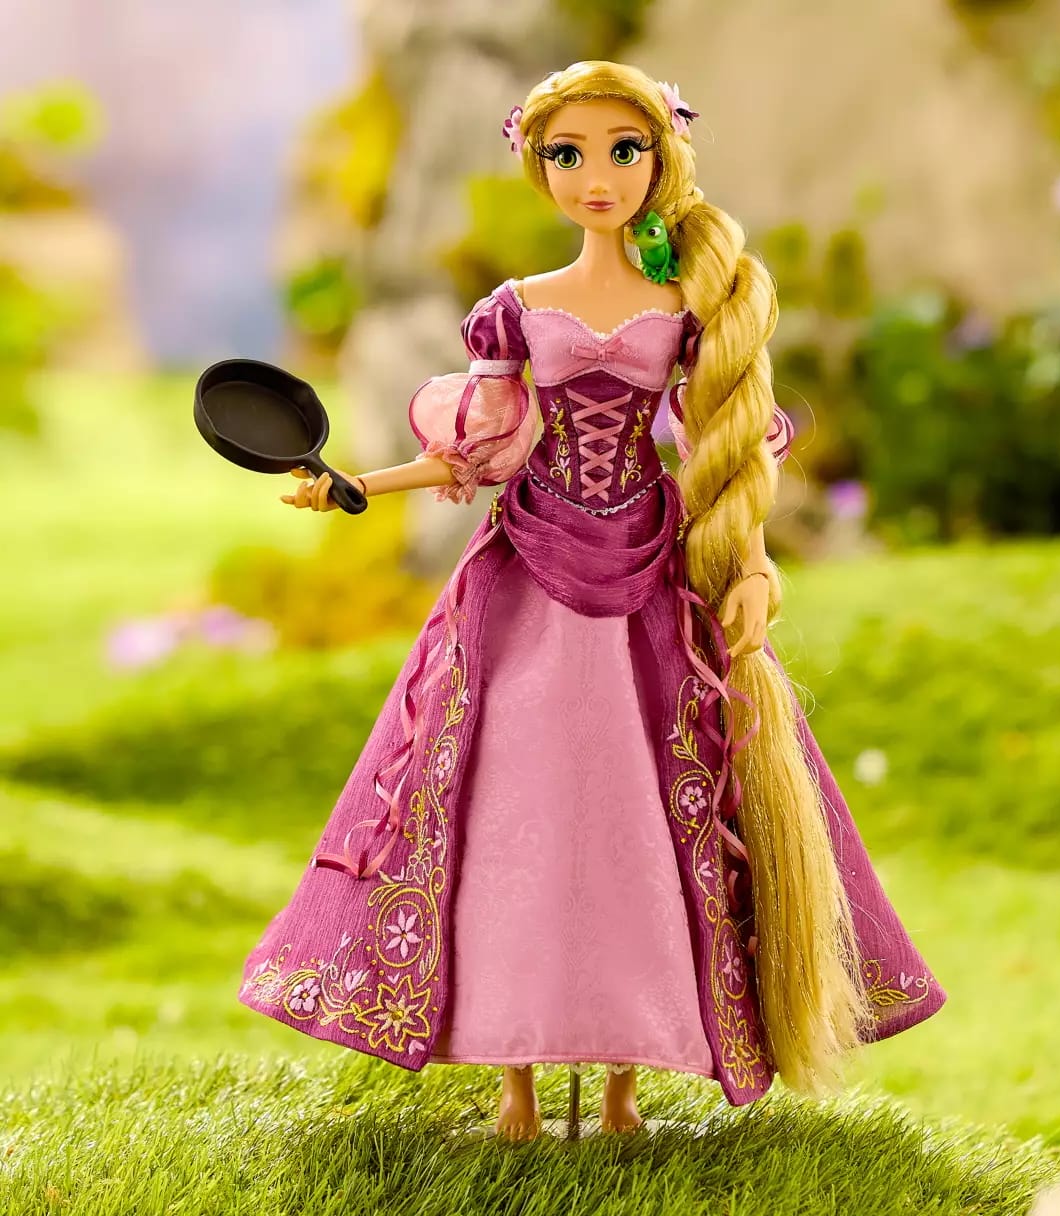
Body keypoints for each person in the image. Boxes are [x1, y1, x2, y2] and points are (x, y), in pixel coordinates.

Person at [240, 59, 946, 1143]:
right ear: (537, 167)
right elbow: (481, 447)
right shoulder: (517, 310)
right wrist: (360, 485)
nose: (596, 176)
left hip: (651, 575)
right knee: (510, 802)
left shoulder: (689, 308)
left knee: (639, 811)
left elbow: (722, 449)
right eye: (567, 155)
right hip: (528, 572)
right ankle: (516, 1085)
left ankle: (623, 1082)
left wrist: (752, 567)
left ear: (663, 158)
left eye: (623, 150)